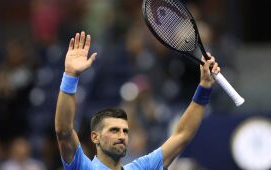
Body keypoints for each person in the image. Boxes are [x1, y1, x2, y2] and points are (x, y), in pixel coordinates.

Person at [55, 31, 220, 170]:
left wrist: (204, 86)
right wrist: (70, 75)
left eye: (125, 131)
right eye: (114, 130)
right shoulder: (82, 166)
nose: (122, 136)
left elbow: (182, 135)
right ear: (95, 137)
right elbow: (64, 131)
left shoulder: (142, 167)